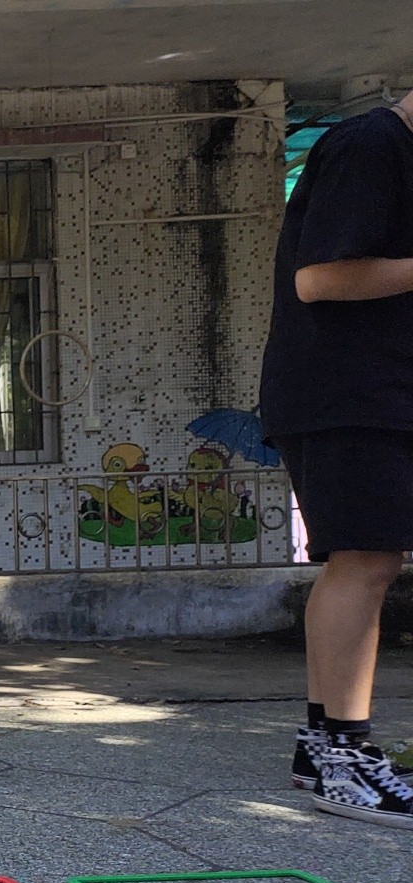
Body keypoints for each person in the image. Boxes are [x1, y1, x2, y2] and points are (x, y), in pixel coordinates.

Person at [259, 89, 413, 829]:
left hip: (366, 394)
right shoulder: (370, 145)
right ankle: (345, 760)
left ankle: (323, 747)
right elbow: (317, 278)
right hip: (346, 395)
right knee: (366, 560)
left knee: (365, 560)